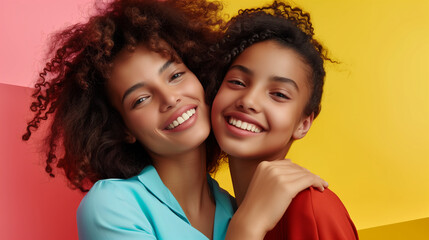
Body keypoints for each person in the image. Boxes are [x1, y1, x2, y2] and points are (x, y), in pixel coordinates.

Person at [22, 0, 327, 239]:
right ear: (125, 128)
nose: (170, 99)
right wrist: (245, 232)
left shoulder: (236, 207)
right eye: (140, 99)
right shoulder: (112, 207)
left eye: (176, 75)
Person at [207, 1, 359, 239]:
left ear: (303, 123)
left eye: (278, 94)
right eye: (237, 82)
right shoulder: (219, 214)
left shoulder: (312, 208)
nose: (249, 101)